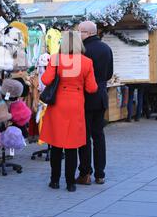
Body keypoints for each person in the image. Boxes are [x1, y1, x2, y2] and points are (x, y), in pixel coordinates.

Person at [39, 30, 97, 192]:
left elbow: (45, 80)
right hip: (76, 105)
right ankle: (70, 183)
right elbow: (92, 88)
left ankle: (54, 181)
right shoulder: (86, 62)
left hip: (58, 105)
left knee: (56, 144)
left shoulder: (56, 59)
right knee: (72, 146)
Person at [76, 21, 113, 185]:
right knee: (99, 136)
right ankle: (100, 173)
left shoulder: (82, 51)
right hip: (101, 96)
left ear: (87, 33)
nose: (78, 35)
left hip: (84, 97)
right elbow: (109, 74)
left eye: (79, 32)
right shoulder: (106, 48)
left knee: (84, 137)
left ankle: (85, 173)